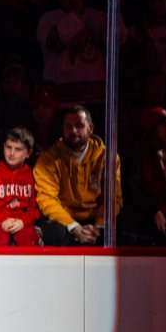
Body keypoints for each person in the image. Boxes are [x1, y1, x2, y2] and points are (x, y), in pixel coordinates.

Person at [34, 105, 122, 246]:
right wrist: (74, 227)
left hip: (96, 220)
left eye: (79, 125)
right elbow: (46, 199)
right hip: (63, 221)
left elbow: (112, 198)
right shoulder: (48, 158)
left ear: (91, 128)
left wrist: (99, 227)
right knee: (52, 232)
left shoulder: (107, 157)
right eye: (68, 126)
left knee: (120, 231)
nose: (73, 130)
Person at [0, 127, 40, 246]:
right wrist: (2, 220)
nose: (11, 153)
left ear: (28, 153)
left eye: (18, 149)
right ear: (3, 147)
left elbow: (33, 207)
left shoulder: (31, 175)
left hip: (21, 222)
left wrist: (23, 221)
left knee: (28, 241)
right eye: (8, 147)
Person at [136, 106, 166, 245]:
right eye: (165, 122)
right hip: (146, 221)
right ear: (153, 129)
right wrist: (154, 211)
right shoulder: (139, 159)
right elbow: (134, 190)